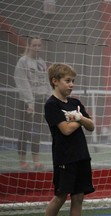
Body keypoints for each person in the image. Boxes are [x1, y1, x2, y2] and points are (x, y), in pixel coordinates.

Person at [44, 63, 95, 216]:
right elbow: (65, 130)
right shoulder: (51, 104)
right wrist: (80, 120)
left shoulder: (75, 103)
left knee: (78, 197)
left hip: (81, 155)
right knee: (60, 196)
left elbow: (91, 125)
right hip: (65, 158)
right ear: (55, 81)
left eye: (73, 81)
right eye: (67, 80)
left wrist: (78, 117)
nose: (71, 84)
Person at [14, 36, 50, 170]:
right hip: (27, 103)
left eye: (39, 45)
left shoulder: (41, 62)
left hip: (40, 102)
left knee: (36, 132)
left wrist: (51, 99)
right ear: (29, 46)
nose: (37, 48)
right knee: (24, 131)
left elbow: (46, 83)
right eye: (34, 45)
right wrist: (30, 102)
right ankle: (22, 160)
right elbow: (22, 83)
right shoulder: (23, 61)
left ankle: (36, 161)